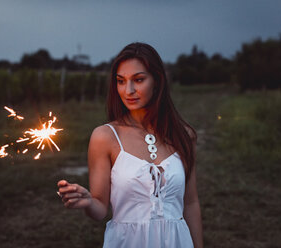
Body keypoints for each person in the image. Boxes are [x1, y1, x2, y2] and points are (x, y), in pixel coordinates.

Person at [57, 42, 203, 248]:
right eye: (121, 81)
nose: (129, 90)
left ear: (157, 81)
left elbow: (190, 202)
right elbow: (100, 207)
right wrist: (88, 201)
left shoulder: (184, 135)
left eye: (139, 79)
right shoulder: (105, 137)